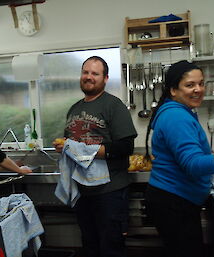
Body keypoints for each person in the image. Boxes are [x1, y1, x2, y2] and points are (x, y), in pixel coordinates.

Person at [53, 56, 137, 257]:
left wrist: (87, 151)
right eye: (85, 72)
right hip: (83, 190)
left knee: (111, 248)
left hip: (110, 191)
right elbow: (71, 145)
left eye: (95, 73)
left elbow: (126, 146)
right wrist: (65, 148)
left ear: (105, 78)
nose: (88, 77)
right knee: (90, 245)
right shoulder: (74, 108)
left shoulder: (113, 105)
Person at [144, 60, 214, 257]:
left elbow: (195, 154)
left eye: (201, 83)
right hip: (174, 203)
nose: (198, 89)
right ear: (173, 90)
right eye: (190, 85)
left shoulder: (180, 112)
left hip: (175, 200)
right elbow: (194, 164)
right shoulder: (177, 117)